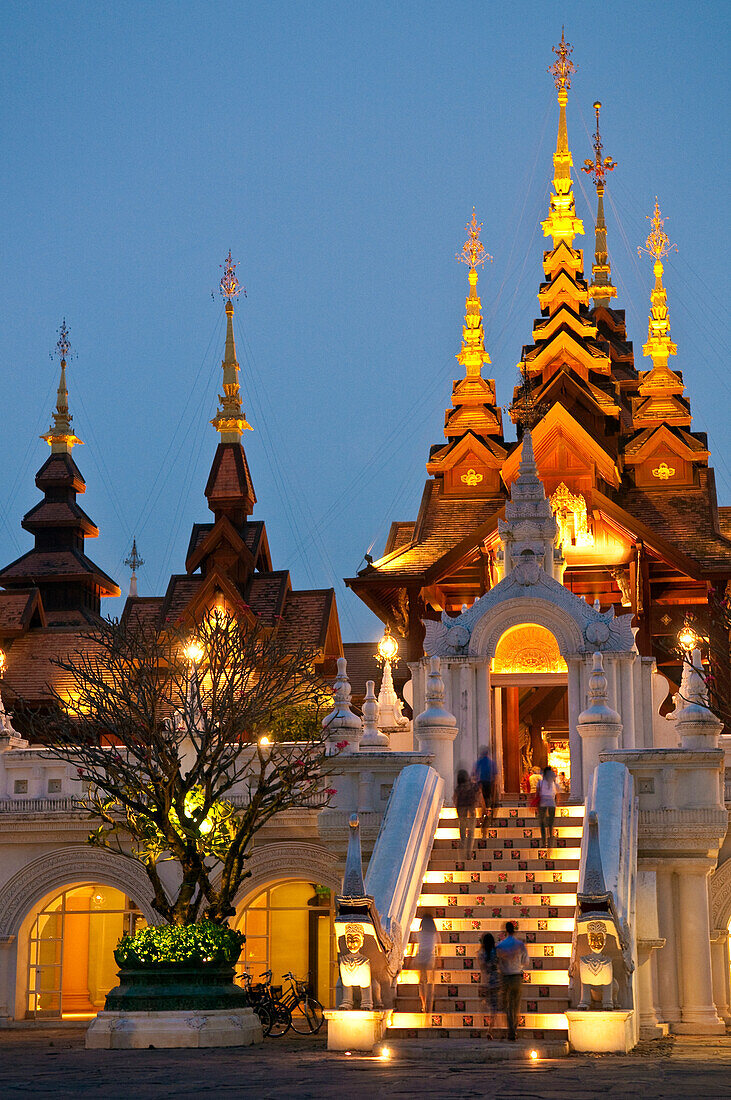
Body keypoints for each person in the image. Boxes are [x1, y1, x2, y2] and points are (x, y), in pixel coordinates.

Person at [495, 920, 530, 1041]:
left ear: (505, 931)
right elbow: (526, 961)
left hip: (505, 977)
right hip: (516, 977)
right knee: (516, 1005)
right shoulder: (520, 945)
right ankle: (513, 1030)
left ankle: (511, 1029)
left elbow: (497, 962)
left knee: (507, 1005)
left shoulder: (500, 945)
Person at [415, 910, 440, 1014]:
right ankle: (429, 1007)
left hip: (421, 957)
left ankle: (423, 1005)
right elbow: (439, 946)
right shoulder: (434, 933)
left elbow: (416, 946)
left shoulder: (419, 933)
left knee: (422, 983)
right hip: (430, 957)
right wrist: (438, 958)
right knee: (430, 984)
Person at [477, 931, 500, 1039]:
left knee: (487, 1004)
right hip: (495, 980)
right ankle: (490, 1029)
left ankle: (487, 1028)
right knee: (494, 1007)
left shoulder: (481, 953)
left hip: (485, 980)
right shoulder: (495, 952)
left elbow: (482, 968)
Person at [454, 769, 478, 859]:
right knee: (471, 832)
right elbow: (477, 795)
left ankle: (462, 848)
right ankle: (469, 853)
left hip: (461, 809)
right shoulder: (472, 786)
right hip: (471, 810)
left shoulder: (458, 788)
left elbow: (455, 799)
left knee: (462, 830)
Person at [473, 747, 497, 834]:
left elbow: (475, 771)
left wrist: (475, 779)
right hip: (489, 782)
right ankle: (487, 814)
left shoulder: (479, 761)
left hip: (481, 782)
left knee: (482, 799)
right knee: (488, 799)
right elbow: (495, 773)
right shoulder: (491, 762)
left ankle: (484, 814)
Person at [537, 765, 558, 847]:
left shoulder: (540, 783)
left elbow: (537, 794)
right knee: (550, 823)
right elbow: (556, 794)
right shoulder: (553, 783)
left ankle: (544, 842)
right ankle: (550, 841)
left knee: (542, 823)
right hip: (552, 804)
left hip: (542, 804)